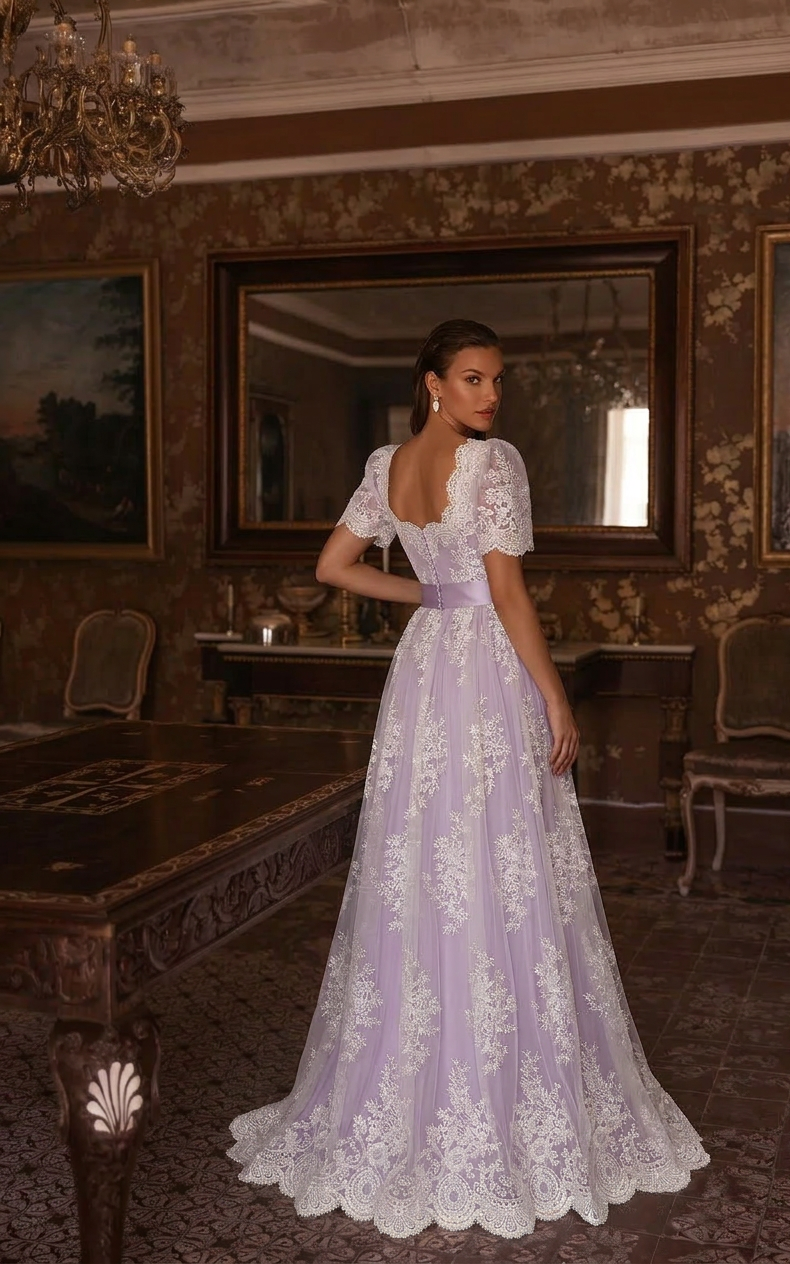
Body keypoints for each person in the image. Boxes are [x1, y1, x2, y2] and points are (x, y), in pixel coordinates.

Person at [228, 319, 708, 1239]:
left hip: (424, 670)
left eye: (498, 380)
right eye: (474, 379)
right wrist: (556, 696)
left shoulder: (388, 464)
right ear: (434, 383)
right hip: (484, 671)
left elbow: (333, 567)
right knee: (499, 862)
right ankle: (493, 1085)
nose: (491, 396)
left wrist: (428, 596)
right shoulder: (493, 464)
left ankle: (416, 1081)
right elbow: (510, 594)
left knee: (426, 864)